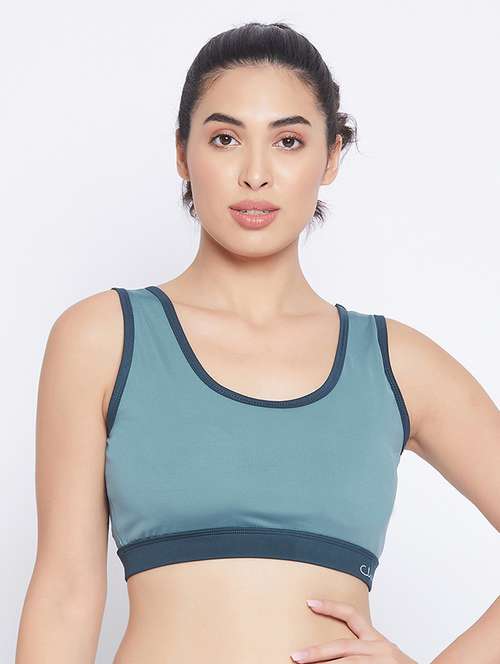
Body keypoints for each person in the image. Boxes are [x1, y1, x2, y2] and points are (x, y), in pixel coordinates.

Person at [15, 21, 500, 664]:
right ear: (183, 153)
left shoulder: (397, 365)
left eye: (288, 141)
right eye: (225, 138)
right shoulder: (102, 338)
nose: (255, 174)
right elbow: (65, 594)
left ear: (330, 157)